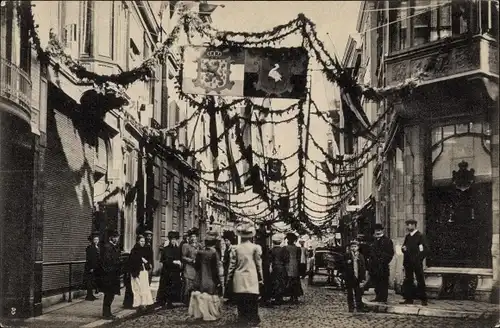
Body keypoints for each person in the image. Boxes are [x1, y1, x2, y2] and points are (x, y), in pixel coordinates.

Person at [226, 218, 263, 327]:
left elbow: (231, 266)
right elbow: (258, 265)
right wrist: (261, 278)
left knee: (241, 300)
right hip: (252, 277)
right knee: (252, 300)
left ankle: (242, 319)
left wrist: (229, 278)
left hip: (239, 278)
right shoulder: (255, 248)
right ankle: (253, 319)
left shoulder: (235, 248)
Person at [188, 231, 224, 321]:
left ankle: (199, 314)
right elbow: (215, 269)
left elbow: (196, 266)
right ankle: (210, 313)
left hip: (200, 277)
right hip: (210, 278)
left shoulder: (200, 252)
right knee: (210, 295)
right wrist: (218, 282)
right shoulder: (214, 253)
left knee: (200, 294)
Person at [401, 219, 428, 306]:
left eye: (410, 224)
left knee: (420, 279)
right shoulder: (408, 236)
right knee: (408, 280)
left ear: (414, 225)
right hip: (408, 262)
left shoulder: (420, 236)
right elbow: (404, 246)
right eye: (407, 225)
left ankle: (423, 299)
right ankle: (409, 298)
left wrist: (418, 259)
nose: (408, 226)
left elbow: (424, 250)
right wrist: (403, 249)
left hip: (416, 262)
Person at [156, 230, 183, 308]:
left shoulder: (178, 249)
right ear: (170, 240)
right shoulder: (165, 249)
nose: (173, 241)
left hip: (175, 272)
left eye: (175, 239)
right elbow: (163, 260)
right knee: (165, 287)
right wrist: (173, 261)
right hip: (167, 272)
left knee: (173, 287)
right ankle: (163, 302)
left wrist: (180, 263)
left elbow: (180, 258)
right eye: (172, 239)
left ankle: (170, 302)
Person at [370, 224, 394, 303]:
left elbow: (390, 253)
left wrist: (383, 260)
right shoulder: (374, 241)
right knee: (376, 281)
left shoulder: (387, 241)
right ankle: (378, 297)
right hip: (375, 265)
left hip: (383, 265)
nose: (377, 232)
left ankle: (383, 298)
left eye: (379, 230)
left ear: (382, 231)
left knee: (383, 281)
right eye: (376, 230)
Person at [100, 230, 121, 320]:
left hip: (112, 274)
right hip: (109, 275)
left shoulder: (112, 247)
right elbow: (107, 261)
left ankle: (108, 313)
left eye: (117, 237)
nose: (117, 239)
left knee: (110, 294)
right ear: (111, 238)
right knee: (109, 294)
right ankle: (106, 313)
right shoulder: (108, 247)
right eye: (116, 237)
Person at [129, 235, 154, 311]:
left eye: (143, 241)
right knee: (138, 288)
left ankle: (144, 304)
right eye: (141, 241)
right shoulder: (134, 250)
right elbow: (132, 261)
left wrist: (146, 262)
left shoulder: (145, 250)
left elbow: (148, 259)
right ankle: (139, 304)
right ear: (138, 241)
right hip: (137, 272)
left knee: (144, 287)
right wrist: (140, 259)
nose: (143, 243)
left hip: (143, 271)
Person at [344, 240, 368, 313]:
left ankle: (359, 307)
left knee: (358, 293)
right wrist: (347, 263)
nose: (353, 248)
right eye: (352, 247)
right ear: (350, 248)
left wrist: (363, 279)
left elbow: (363, 268)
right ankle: (351, 307)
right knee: (350, 293)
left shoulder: (360, 256)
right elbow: (342, 266)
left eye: (355, 246)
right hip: (350, 277)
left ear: (358, 247)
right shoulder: (347, 256)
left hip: (358, 277)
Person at [283, 232, 303, 303]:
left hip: (287, 265)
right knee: (295, 280)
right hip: (295, 265)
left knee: (289, 280)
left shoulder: (285, 248)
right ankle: (295, 296)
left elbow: (284, 258)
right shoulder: (298, 248)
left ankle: (291, 295)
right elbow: (299, 258)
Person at [182, 230, 199, 305]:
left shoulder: (199, 245)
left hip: (197, 267)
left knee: (195, 284)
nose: (193, 238)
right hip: (189, 267)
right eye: (192, 236)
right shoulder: (186, 246)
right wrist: (191, 260)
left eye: (195, 236)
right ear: (189, 238)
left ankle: (194, 300)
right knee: (188, 284)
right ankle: (186, 300)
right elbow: (183, 257)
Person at [269, 234, 287, 304]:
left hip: (275, 267)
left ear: (273, 242)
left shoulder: (272, 250)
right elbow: (286, 259)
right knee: (281, 282)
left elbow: (270, 259)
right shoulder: (283, 250)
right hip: (282, 267)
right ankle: (280, 297)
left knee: (275, 282)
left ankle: (276, 297)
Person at [84, 232, 101, 301]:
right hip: (90, 267)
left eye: (97, 239)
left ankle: (91, 295)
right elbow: (90, 258)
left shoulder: (97, 247)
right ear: (92, 240)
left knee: (93, 281)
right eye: (95, 239)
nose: (96, 241)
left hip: (95, 267)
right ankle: (89, 296)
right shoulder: (90, 247)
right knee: (89, 281)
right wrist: (91, 267)